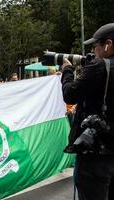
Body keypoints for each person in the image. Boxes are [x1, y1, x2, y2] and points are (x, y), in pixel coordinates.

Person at [61, 23, 114, 200]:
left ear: (108, 44)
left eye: (95, 46)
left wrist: (67, 71)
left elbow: (70, 95)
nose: (93, 51)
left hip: (95, 153)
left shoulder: (99, 66)